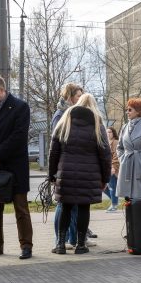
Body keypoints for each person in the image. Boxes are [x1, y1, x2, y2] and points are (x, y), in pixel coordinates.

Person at [48, 94, 111, 254]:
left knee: (65, 207)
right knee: (84, 208)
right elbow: (105, 155)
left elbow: (53, 151)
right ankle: (81, 245)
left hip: (66, 174)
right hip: (89, 175)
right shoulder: (97, 124)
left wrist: (52, 174)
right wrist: (105, 178)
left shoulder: (65, 121)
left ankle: (61, 244)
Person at [0, 75, 33, 260]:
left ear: (2, 89)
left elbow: (19, 136)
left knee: (21, 208)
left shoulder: (20, 107)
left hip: (15, 165)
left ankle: (26, 246)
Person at [50, 82, 84, 249]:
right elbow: (56, 144)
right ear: (70, 97)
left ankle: (74, 237)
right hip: (63, 168)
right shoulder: (60, 115)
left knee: (74, 204)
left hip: (74, 167)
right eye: (78, 96)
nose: (81, 99)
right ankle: (59, 239)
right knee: (63, 204)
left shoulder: (75, 114)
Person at [116, 98, 141, 201]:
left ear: (138, 111)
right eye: (127, 110)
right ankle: (129, 218)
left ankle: (140, 217)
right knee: (127, 199)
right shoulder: (125, 127)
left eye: (130, 110)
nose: (127, 112)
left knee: (140, 198)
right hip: (127, 166)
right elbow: (119, 147)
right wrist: (122, 159)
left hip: (140, 166)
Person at [104, 126, 120, 211]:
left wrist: (113, 167)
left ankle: (114, 205)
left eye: (110, 132)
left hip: (112, 168)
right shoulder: (105, 142)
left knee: (112, 186)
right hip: (106, 168)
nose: (108, 133)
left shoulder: (116, 142)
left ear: (113, 133)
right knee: (102, 186)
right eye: (107, 132)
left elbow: (116, 156)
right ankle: (115, 201)